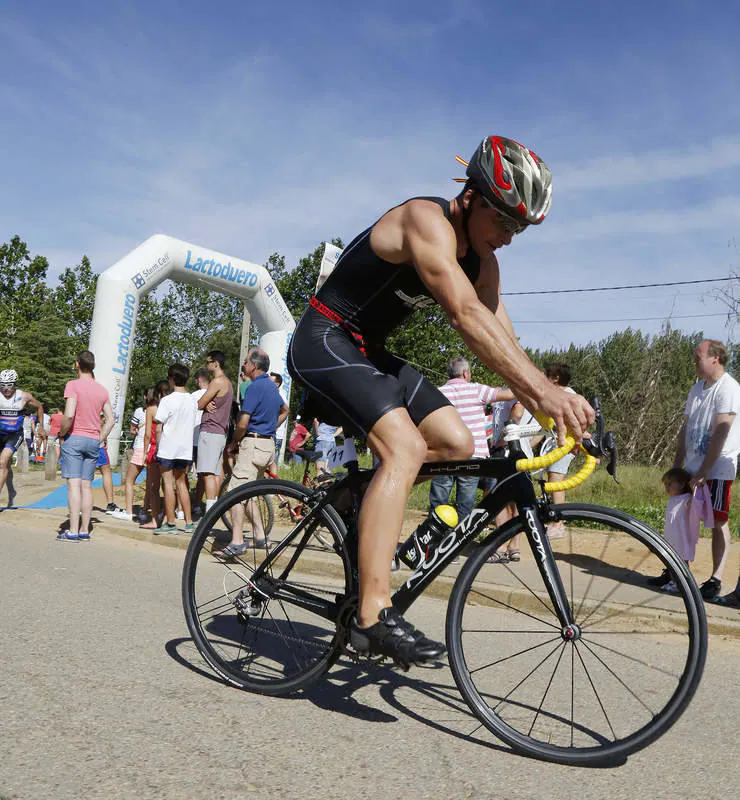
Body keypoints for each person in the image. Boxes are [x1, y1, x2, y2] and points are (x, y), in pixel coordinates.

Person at [288, 135, 594, 664]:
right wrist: (544, 391)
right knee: (404, 449)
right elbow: (465, 317)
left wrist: (556, 407)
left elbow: (507, 347)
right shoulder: (424, 220)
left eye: (520, 228)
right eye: (505, 221)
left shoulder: (484, 264)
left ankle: (353, 497)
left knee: (457, 442)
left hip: (369, 351)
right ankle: (373, 614)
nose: (510, 237)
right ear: (472, 197)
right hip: (323, 338)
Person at [673, 339, 740, 601]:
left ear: (715, 358)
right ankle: (678, 570)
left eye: (698, 356)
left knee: (718, 521)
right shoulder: (696, 389)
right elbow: (685, 428)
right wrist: (677, 464)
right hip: (691, 466)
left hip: (717, 467)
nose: (694, 361)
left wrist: (705, 469)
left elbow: (722, 430)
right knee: (680, 518)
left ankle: (715, 579)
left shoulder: (729, 388)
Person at [215, 348, 289, 557]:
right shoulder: (272, 387)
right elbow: (286, 410)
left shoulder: (255, 387)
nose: (243, 366)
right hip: (267, 447)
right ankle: (259, 536)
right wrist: (270, 428)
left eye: (246, 362)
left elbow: (243, 422)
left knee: (235, 494)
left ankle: (237, 541)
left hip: (252, 444)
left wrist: (234, 442)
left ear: (254, 366)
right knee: (251, 493)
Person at [429, 356, 514, 523]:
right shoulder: (477, 390)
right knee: (465, 504)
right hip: (473, 453)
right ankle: (459, 542)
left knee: (438, 501)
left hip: (444, 454)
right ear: (466, 373)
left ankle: (433, 538)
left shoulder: (437, 392)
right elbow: (509, 394)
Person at [58, 351, 114, 541]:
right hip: (92, 441)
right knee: (87, 486)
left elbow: (70, 414)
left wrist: (62, 433)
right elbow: (111, 420)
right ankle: (84, 530)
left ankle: (72, 530)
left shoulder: (72, 385)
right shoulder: (102, 390)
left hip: (75, 438)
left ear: (77, 364)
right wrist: (100, 437)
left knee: (73, 485)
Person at [647, 467, 713, 593]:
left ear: (682, 484)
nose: (667, 487)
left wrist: (695, 490)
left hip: (682, 538)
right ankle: (674, 581)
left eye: (670, 484)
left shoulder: (686, 498)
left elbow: (695, 505)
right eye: (665, 484)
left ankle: (682, 584)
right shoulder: (673, 499)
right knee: (672, 562)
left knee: (681, 562)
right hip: (672, 537)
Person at [152, 364, 197, 535]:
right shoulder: (192, 400)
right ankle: (189, 522)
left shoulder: (167, 400)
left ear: (171, 379)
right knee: (182, 484)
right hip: (185, 449)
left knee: (168, 484)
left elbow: (159, 421)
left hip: (168, 448)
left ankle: (170, 523)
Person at [539, 363, 578, 540]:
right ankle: (555, 518)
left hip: (565, 443)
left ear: (556, 378)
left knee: (556, 480)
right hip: (559, 443)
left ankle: (558, 522)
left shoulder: (567, 395)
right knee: (553, 479)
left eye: (548, 374)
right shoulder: (563, 394)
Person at [0, 369, 45, 507]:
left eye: (9, 384)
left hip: (15, 434)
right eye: (3, 385)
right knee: (5, 465)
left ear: (15, 384)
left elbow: (39, 407)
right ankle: (11, 491)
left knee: (2, 463)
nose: (6, 388)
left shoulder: (24, 396)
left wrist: (41, 427)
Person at [197, 351, 234, 517]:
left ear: (216, 363)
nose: (207, 365)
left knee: (207, 474)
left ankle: (210, 514)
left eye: (208, 362)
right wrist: (205, 404)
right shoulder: (228, 383)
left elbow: (199, 403)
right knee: (216, 472)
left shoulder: (217, 382)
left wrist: (204, 404)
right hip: (220, 432)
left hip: (210, 431)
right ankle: (215, 508)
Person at [111, 395, 147, 522]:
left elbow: (133, 429)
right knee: (152, 484)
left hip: (140, 447)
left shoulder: (141, 411)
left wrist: (136, 430)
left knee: (129, 481)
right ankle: (146, 511)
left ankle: (129, 511)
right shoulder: (161, 410)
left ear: (145, 397)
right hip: (155, 449)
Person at [140, 381, 170, 530]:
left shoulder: (151, 409)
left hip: (154, 448)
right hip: (170, 447)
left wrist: (145, 452)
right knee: (168, 486)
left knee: (153, 486)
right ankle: (166, 516)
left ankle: (154, 518)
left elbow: (146, 434)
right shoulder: (171, 407)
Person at [268, 371, 288, 475]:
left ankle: (273, 485)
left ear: (277, 384)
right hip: (272, 433)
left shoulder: (280, 397)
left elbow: (285, 412)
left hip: (276, 434)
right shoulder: (273, 395)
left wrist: (274, 426)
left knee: (272, 461)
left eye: (270, 381)